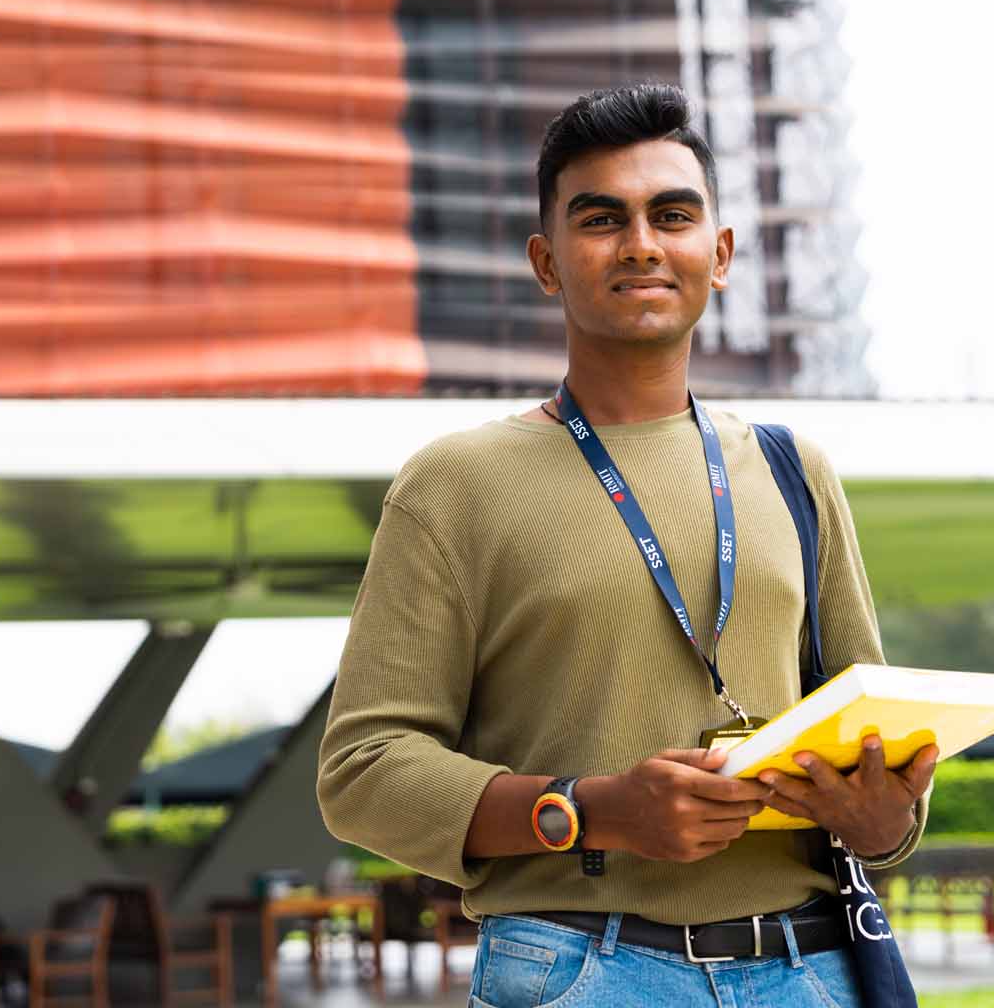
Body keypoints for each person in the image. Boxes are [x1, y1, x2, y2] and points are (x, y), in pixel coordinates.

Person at [317, 84, 937, 1008]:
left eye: (672, 215)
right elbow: (363, 772)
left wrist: (887, 820)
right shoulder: (456, 483)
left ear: (717, 254)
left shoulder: (791, 469)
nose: (642, 243)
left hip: (811, 970)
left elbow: (871, 737)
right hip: (581, 969)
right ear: (547, 261)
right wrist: (595, 811)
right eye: (602, 218)